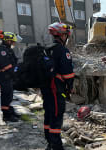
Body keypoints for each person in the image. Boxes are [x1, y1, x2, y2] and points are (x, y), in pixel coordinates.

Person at [41, 22, 75, 150]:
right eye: (66, 35)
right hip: (56, 89)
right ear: (62, 35)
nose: (67, 37)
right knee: (56, 116)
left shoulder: (46, 49)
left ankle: (49, 143)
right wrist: (70, 87)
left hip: (46, 89)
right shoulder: (62, 50)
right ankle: (56, 145)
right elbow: (68, 74)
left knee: (48, 115)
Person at [0, 31, 21, 122]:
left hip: (8, 76)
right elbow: (5, 64)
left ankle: (9, 111)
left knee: (9, 95)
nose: (13, 43)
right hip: (4, 76)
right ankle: (6, 115)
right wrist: (13, 70)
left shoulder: (7, 49)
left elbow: (13, 61)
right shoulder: (1, 50)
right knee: (6, 95)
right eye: (12, 41)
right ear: (8, 41)